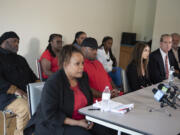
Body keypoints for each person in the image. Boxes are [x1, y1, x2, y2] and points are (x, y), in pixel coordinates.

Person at [24, 45, 116, 135]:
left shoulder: (82, 77)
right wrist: (78, 123)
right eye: (77, 64)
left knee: (108, 129)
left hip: (81, 119)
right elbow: (50, 114)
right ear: (65, 64)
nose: (82, 67)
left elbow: (88, 100)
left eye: (82, 63)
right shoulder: (54, 83)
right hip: (55, 124)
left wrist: (91, 118)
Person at [0, 31, 38, 135]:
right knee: (25, 108)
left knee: (43, 103)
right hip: (6, 97)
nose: (17, 44)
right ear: (5, 42)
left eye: (18, 42)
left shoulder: (21, 59)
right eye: (14, 41)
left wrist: (41, 87)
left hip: (25, 94)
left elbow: (33, 77)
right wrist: (15, 90)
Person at [81, 37, 122, 102]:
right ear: (83, 49)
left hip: (112, 98)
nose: (95, 52)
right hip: (99, 102)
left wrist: (116, 90)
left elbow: (109, 79)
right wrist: (106, 95)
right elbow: (86, 88)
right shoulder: (80, 65)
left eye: (96, 49)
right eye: (92, 49)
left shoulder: (98, 63)